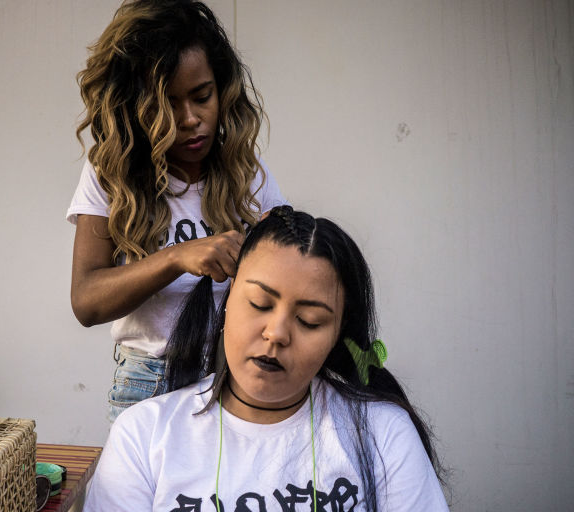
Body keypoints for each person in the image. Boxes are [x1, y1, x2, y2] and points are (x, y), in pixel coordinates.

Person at [83, 206, 449, 511]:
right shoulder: (143, 435)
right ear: (226, 305)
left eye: (310, 321)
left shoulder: (383, 433)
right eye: (259, 304)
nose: (277, 333)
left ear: (336, 336)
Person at [67, 0, 286, 421]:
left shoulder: (248, 174)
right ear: (135, 106)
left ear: (222, 89)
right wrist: (176, 258)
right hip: (148, 385)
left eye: (202, 96)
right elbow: (86, 301)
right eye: (167, 104)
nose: (190, 119)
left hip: (235, 380)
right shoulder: (109, 174)